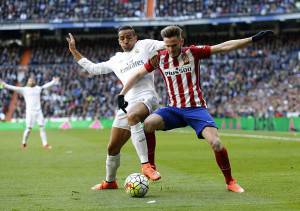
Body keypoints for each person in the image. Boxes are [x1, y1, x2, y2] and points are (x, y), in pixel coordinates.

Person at [118, 25, 274, 193]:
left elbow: (223, 47)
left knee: (216, 143)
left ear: (181, 41)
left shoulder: (193, 53)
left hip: (196, 109)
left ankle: (230, 181)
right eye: (167, 45)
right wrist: (122, 94)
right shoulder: (159, 58)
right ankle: (150, 166)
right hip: (173, 110)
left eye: (174, 45)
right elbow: (137, 74)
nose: (170, 49)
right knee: (148, 123)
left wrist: (252, 39)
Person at [66, 26, 164, 190]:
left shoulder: (146, 45)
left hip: (147, 97)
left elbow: (168, 44)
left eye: (129, 37)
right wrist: (74, 50)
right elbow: (93, 69)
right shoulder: (115, 60)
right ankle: (110, 182)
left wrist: (168, 46)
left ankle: (146, 165)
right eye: (122, 38)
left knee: (133, 116)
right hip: (127, 102)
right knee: (112, 148)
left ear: (135, 37)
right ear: (119, 41)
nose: (126, 40)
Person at [0, 76, 59, 149]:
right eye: (29, 81)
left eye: (32, 81)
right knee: (28, 129)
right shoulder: (24, 89)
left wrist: (53, 82)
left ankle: (45, 144)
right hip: (30, 113)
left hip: (39, 112)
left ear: (34, 82)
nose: (31, 82)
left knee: (42, 127)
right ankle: (24, 142)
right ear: (27, 82)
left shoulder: (38, 88)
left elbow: (45, 86)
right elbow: (14, 88)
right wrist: (4, 85)